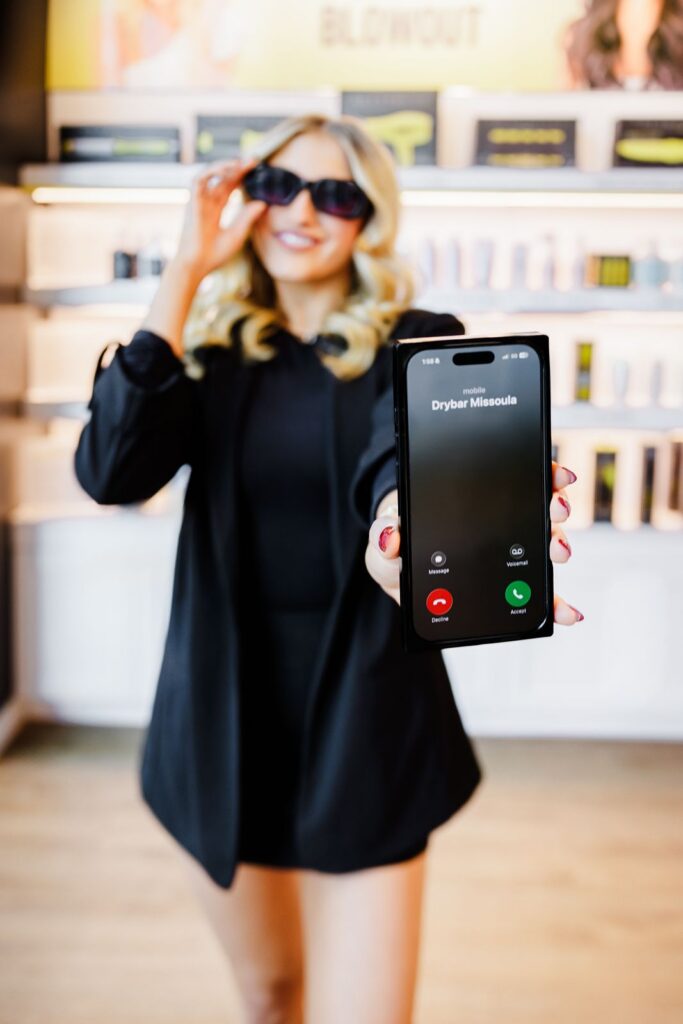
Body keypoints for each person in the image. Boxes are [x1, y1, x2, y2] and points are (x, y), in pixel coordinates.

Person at [74, 113, 581, 1024]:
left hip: (368, 722)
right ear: (243, 202)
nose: (301, 212)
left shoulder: (415, 339)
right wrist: (184, 274)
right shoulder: (213, 352)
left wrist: (408, 517)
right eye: (277, 186)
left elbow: (401, 456)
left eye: (335, 194)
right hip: (226, 724)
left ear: (367, 220)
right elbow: (109, 471)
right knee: (269, 997)